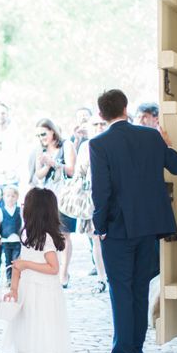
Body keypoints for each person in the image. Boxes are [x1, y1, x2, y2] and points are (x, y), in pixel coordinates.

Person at [84, 89, 177, 353]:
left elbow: (101, 192)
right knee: (139, 291)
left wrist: (99, 227)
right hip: (150, 228)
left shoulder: (99, 143)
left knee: (121, 293)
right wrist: (165, 145)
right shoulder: (151, 136)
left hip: (118, 229)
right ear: (126, 108)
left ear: (101, 115)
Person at [1, 187, 71, 353]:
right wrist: (13, 289)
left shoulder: (48, 238)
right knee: (24, 335)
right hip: (27, 292)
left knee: (46, 337)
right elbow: (18, 265)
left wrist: (27, 264)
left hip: (46, 294)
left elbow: (53, 268)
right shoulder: (25, 234)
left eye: (25, 205)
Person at [33, 118, 76, 288]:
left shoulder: (66, 145)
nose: (41, 137)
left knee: (64, 235)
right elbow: (39, 174)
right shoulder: (40, 149)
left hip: (65, 196)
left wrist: (54, 163)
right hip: (48, 197)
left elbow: (72, 170)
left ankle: (64, 273)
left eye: (43, 133)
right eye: (38, 135)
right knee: (49, 236)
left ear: (52, 131)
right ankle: (53, 269)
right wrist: (46, 164)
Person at [74, 114, 109, 294]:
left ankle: (110, 274)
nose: (99, 127)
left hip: (113, 199)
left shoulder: (113, 142)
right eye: (95, 124)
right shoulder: (85, 147)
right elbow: (78, 174)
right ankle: (101, 277)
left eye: (102, 123)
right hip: (92, 199)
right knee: (96, 239)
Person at [0, 184, 22, 287]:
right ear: (3, 197)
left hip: (17, 240)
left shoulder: (19, 210)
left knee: (16, 260)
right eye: (8, 196)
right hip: (6, 241)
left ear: (17, 197)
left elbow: (23, 224)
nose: (10, 198)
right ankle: (9, 279)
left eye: (13, 196)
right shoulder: (1, 210)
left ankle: (16, 279)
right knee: (7, 261)